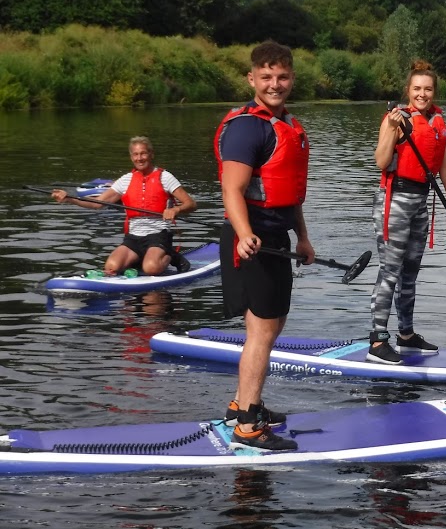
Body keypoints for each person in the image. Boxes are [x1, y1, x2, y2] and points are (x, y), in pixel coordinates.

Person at [214, 40, 314, 451]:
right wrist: (243, 235)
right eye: (267, 77)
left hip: (273, 237)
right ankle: (248, 425)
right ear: (251, 78)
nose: (275, 84)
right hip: (251, 240)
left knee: (268, 329)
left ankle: (243, 405)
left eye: (283, 77)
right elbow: (231, 189)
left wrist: (303, 237)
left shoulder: (286, 123)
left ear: (292, 78)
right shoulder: (246, 127)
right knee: (261, 333)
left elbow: (287, 193)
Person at [368, 60, 446, 365]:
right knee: (390, 271)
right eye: (416, 89)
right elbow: (381, 162)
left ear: (434, 91)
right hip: (394, 201)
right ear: (408, 91)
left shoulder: (437, 123)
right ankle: (377, 340)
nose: (422, 94)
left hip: (421, 204)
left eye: (427, 89)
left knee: (410, 273)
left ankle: (406, 335)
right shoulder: (397, 119)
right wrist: (392, 129)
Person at [51, 136, 196, 276]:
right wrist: (69, 198)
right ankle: (140, 258)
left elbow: (191, 204)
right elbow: (97, 204)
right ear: (131, 157)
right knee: (111, 267)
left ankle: (171, 255)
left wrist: (176, 209)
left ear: (151, 154)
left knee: (151, 268)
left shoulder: (165, 177)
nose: (139, 158)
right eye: (135, 154)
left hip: (158, 236)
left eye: (143, 153)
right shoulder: (126, 180)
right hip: (133, 238)